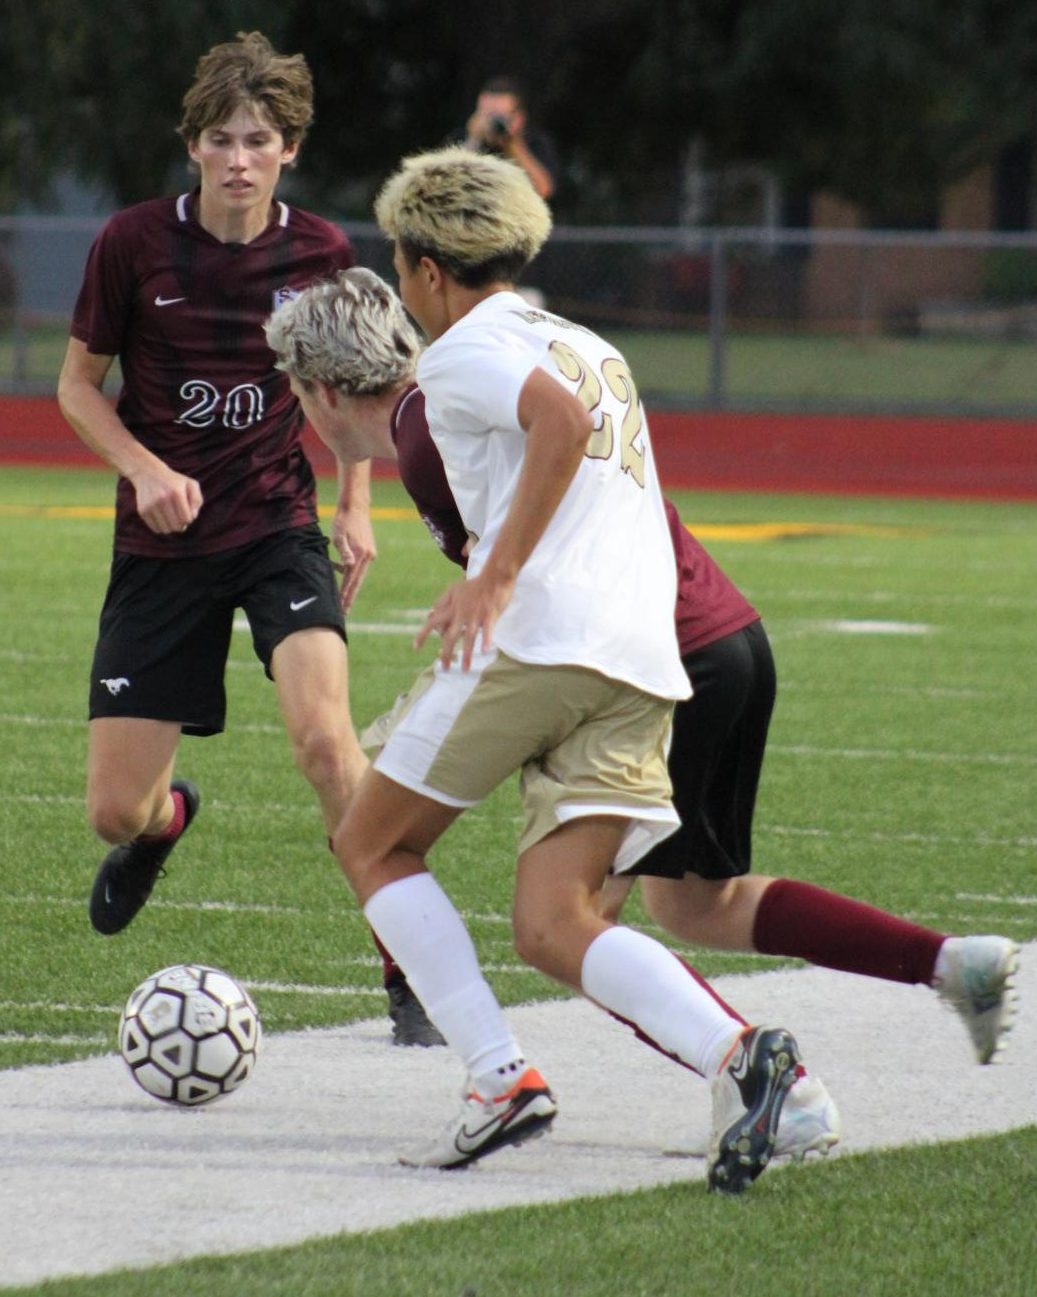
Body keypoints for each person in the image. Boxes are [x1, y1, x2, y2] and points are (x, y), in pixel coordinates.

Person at [266, 265, 1020, 1157]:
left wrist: (487, 590)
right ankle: (918, 977)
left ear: (317, 390)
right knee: (682, 904)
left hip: (643, 645)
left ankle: (528, 1075)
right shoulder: (510, 355)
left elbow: (526, 551)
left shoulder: (440, 419)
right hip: (703, 635)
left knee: (509, 892)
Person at [314, 150, 820, 1194]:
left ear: (421, 269)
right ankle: (743, 1055)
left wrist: (492, 575)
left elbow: (559, 422)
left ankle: (497, 1079)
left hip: (550, 641)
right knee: (554, 923)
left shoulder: (458, 351)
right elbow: (579, 425)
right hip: (641, 662)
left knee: (369, 835)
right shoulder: (589, 340)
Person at [54, 31, 400, 1019]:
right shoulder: (131, 244)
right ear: (193, 145)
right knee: (113, 809)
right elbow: (78, 388)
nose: (239, 158)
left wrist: (355, 502)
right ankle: (166, 825)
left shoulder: (322, 251)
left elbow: (353, 385)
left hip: (274, 527)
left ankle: (402, 958)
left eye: (259, 139)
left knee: (326, 743)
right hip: (158, 547)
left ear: (288, 148)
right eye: (221, 138)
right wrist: (144, 467)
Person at [454, 76, 559, 202]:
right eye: (485, 115)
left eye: (499, 116)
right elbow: (449, 186)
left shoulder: (536, 142)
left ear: (519, 118)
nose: (491, 122)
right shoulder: (460, 139)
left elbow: (543, 191)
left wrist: (513, 145)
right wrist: (473, 140)